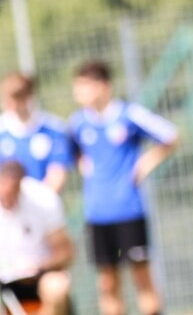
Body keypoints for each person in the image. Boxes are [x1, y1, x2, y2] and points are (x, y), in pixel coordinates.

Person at [68, 60, 178, 315]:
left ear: (102, 86)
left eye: (83, 86)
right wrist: (85, 166)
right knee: (107, 283)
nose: (78, 93)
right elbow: (71, 151)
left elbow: (170, 136)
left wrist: (143, 165)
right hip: (97, 213)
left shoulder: (128, 115)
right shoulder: (77, 123)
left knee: (141, 278)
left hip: (128, 210)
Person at [0, 160, 74, 315]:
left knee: (57, 287)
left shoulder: (43, 199)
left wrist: (39, 266)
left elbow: (65, 252)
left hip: (39, 275)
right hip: (4, 279)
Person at [0, 72, 72, 193]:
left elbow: (57, 174)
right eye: (7, 97)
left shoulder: (53, 129)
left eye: (17, 97)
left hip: (44, 201)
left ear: (29, 96)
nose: (11, 103)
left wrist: (36, 200)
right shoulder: (2, 131)